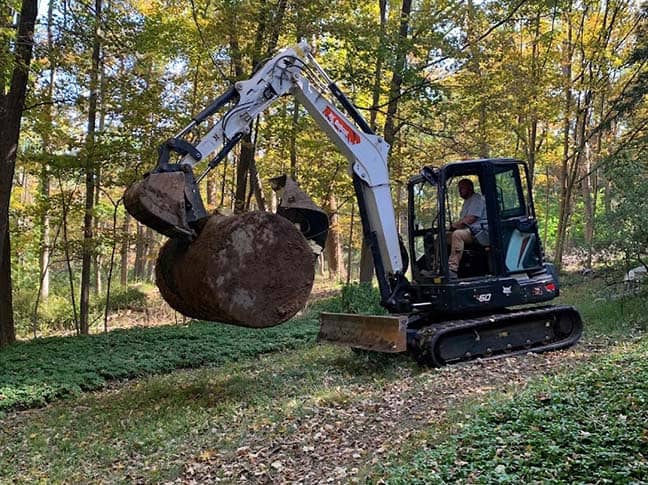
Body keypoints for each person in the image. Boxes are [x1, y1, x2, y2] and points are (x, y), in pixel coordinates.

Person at [447, 178, 486, 279]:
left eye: (461, 188)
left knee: (457, 235)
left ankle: (452, 269)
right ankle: (438, 266)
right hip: (470, 231)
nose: (459, 191)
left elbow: (470, 219)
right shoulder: (467, 202)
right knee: (444, 237)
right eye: (459, 189)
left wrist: (454, 226)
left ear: (469, 188)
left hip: (479, 233)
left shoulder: (477, 199)